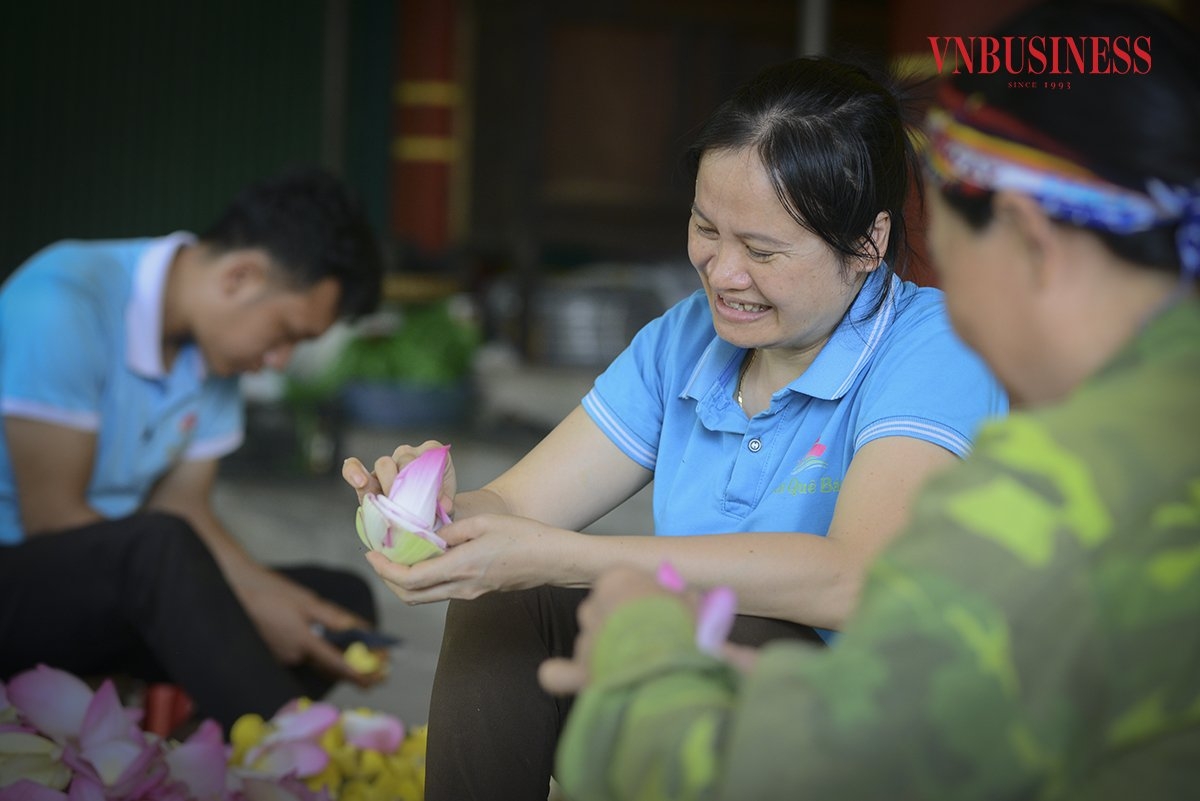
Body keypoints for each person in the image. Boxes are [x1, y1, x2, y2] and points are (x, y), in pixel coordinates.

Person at [537, 1, 1200, 799]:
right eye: (708, 231)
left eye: (944, 235)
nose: (724, 271)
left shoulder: (1062, 494)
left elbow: (817, 769)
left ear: (1027, 239)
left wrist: (642, 646)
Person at [345, 56, 1007, 800]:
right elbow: (517, 508)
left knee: (711, 636)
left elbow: (855, 579)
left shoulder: (936, 346)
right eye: (705, 228)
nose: (722, 273)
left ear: (868, 243)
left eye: (762, 251)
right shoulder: (685, 339)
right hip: (703, 710)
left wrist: (557, 557)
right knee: (506, 603)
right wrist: (427, 512)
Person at [0, 167, 387, 733]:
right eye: (285, 333)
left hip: (123, 582)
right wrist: (246, 603)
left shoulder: (212, 354)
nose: (279, 361)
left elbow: (185, 508)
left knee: (337, 605)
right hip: (22, 579)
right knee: (159, 547)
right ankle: (297, 761)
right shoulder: (61, 304)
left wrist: (281, 600)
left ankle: (199, 763)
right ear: (240, 277)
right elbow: (54, 520)